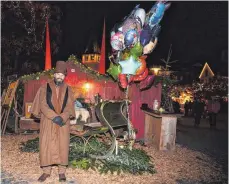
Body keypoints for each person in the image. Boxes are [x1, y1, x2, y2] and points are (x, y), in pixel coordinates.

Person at [30, 61, 76, 182]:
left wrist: (62, 117)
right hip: (48, 121)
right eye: (58, 74)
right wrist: (54, 116)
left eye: (62, 74)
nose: (60, 76)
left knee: (62, 145)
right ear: (54, 74)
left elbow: (69, 105)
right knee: (46, 145)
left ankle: (62, 172)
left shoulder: (68, 89)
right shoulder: (44, 87)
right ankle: (46, 172)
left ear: (65, 76)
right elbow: (43, 104)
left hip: (62, 122)